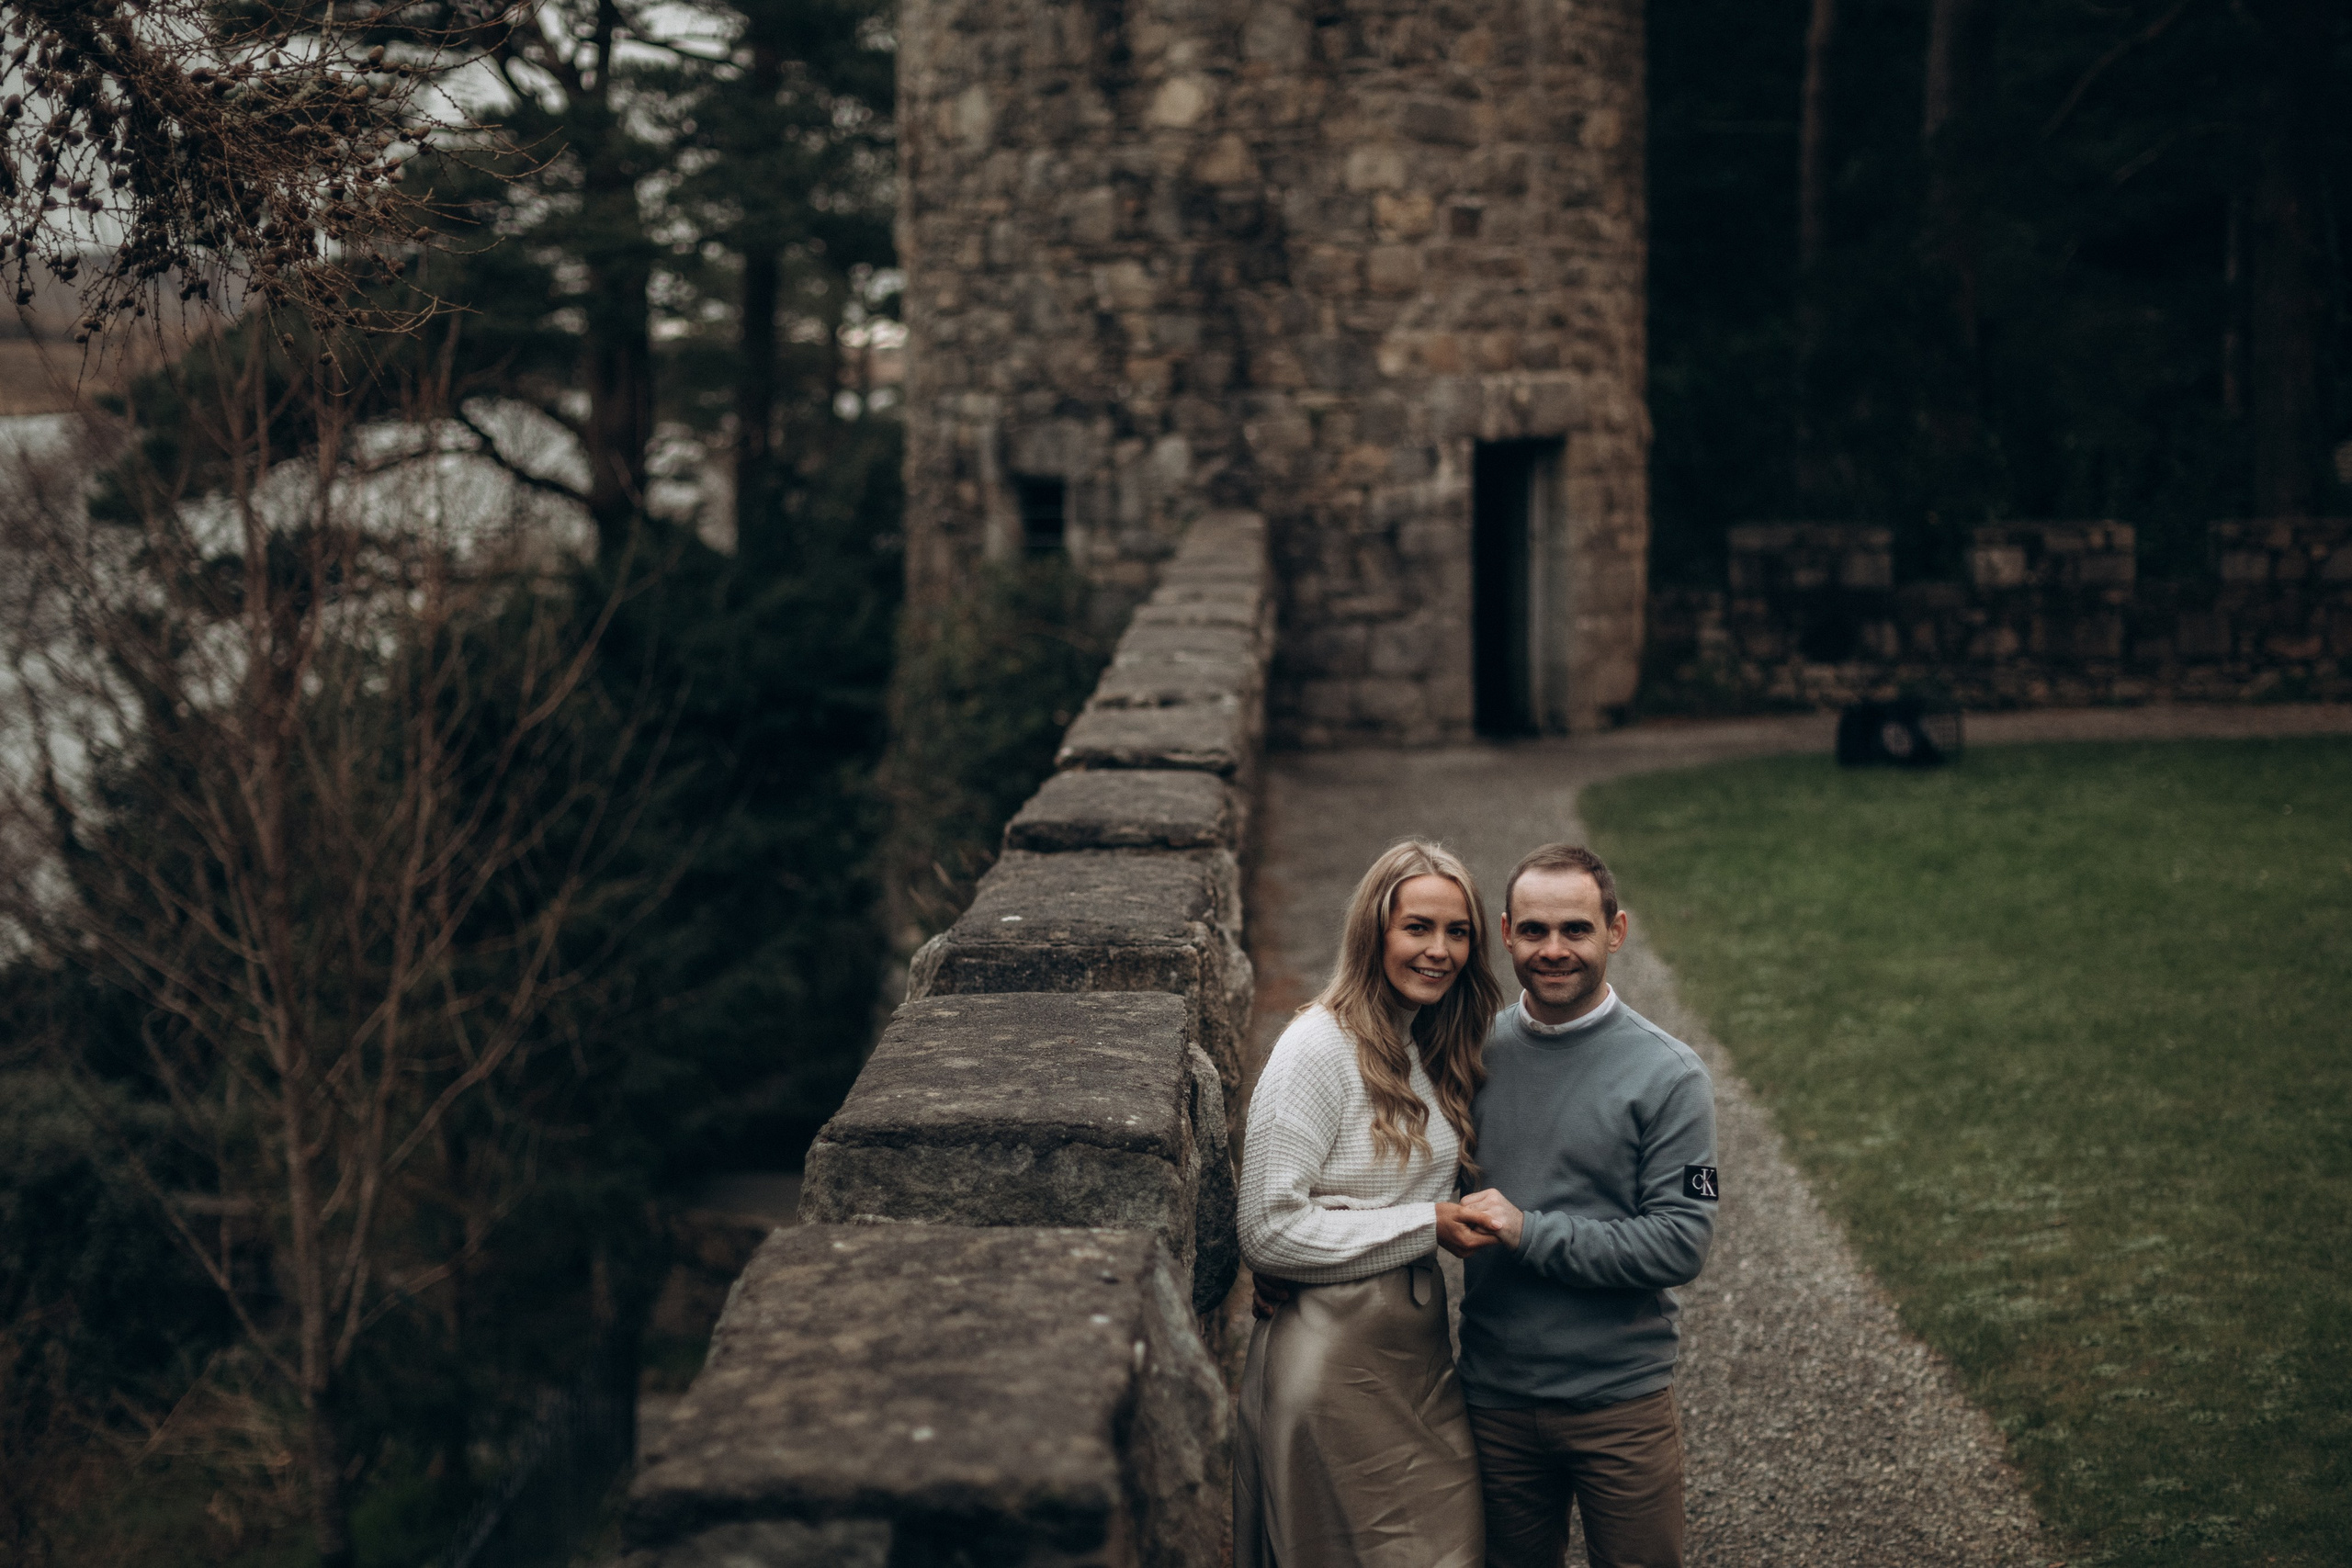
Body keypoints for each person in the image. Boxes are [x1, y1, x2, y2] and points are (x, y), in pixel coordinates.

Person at [1234, 838, 1508, 1568]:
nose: (1439, 950)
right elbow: (1266, 1229)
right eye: (1417, 926)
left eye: (1458, 932)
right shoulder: (1316, 1047)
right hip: (1332, 1358)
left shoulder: (1430, 1041)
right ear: (1374, 932)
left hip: (1417, 1353)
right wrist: (1427, 1224)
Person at [1453, 842, 1718, 1568]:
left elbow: (1678, 1244)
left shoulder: (1670, 1076)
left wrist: (1528, 1231)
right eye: (1535, 931)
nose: (1554, 949)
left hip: (1620, 1405)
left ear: (1616, 931)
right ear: (1505, 933)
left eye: (1576, 929)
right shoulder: (1472, 1051)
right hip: (1494, 1398)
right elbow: (1409, 1179)